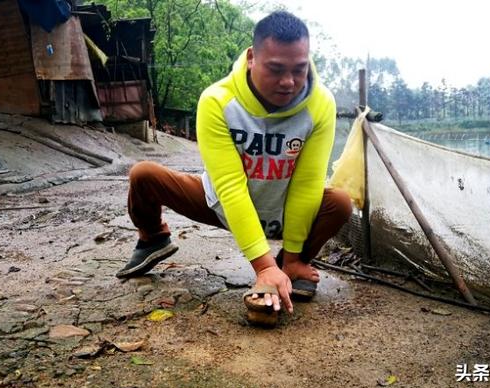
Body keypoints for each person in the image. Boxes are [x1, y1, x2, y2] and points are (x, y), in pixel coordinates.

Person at [117, 11, 351, 316]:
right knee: (143, 175)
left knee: (340, 203)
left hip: (282, 208)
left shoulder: (321, 103)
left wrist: (289, 257)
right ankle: (153, 239)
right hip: (219, 203)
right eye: (276, 69)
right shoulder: (217, 101)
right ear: (252, 57)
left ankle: (291, 266)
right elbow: (230, 186)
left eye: (299, 69)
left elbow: (307, 184)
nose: (288, 82)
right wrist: (261, 265)